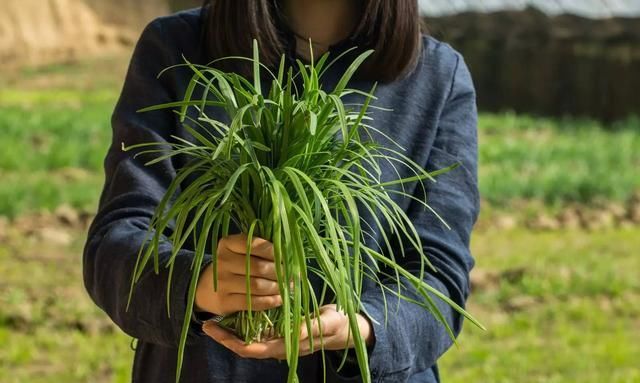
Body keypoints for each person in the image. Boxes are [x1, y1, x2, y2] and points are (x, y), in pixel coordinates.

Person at [82, 0, 480, 382]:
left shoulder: (437, 75)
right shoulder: (176, 49)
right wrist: (200, 282)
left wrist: (361, 325)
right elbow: (115, 243)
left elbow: (439, 279)